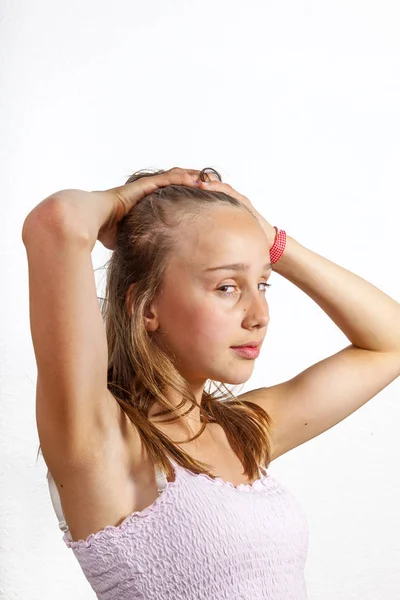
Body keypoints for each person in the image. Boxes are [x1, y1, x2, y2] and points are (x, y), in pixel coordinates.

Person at [22, 167, 400, 599]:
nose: (259, 314)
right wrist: (121, 200)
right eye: (226, 286)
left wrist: (272, 241)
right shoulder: (101, 444)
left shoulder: (243, 434)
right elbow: (57, 220)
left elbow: (391, 344)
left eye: (262, 283)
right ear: (146, 307)